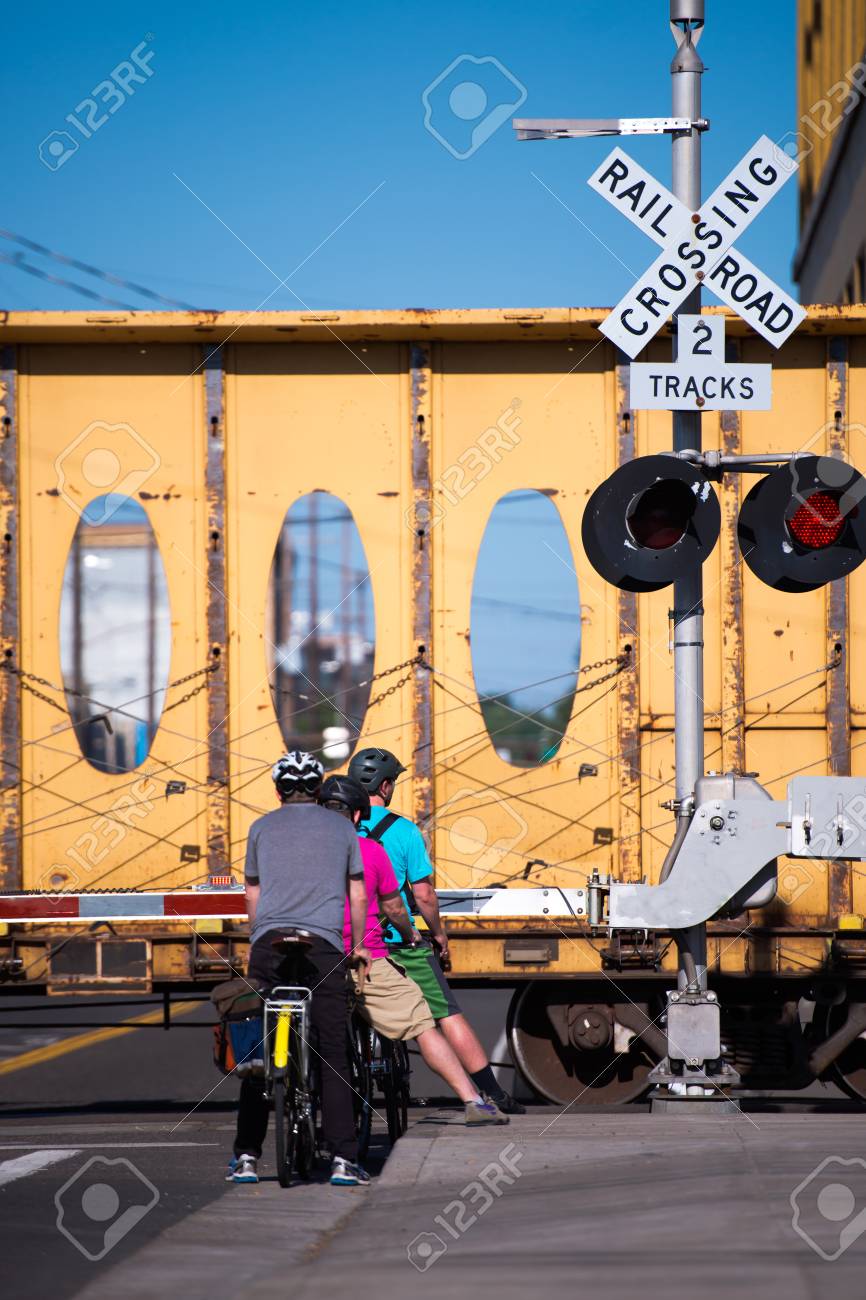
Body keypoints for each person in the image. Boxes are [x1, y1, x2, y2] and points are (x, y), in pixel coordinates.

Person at [318, 775, 508, 1125]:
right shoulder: (373, 850)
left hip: (315, 957)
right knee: (423, 1023)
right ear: (358, 815)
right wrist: (412, 937)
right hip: (365, 958)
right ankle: (474, 1101)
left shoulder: (303, 851)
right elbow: (397, 907)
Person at [227, 750, 372, 1187]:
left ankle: (248, 1156)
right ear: (318, 789)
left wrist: (258, 938)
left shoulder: (259, 828)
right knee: (333, 1050)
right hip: (323, 945)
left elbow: (252, 893)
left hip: (270, 945)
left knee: (257, 1049)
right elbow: (359, 895)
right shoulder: (342, 828)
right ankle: (344, 1161)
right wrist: (359, 946)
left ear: (278, 790)